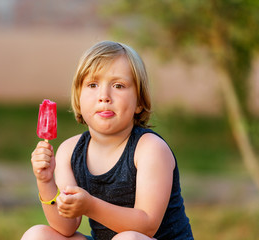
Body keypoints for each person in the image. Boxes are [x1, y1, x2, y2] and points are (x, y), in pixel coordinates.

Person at [21, 41, 193, 240]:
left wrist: (91, 206)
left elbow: (146, 226)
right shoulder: (70, 151)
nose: (104, 96)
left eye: (118, 86)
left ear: (139, 102)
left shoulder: (150, 149)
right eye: (93, 85)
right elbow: (66, 227)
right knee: (37, 236)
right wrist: (46, 181)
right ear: (78, 97)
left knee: (128, 239)